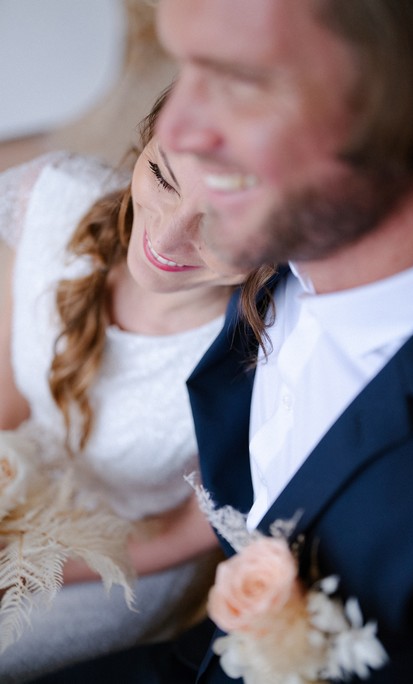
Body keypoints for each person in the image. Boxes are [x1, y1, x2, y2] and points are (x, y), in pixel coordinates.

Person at [30, 1, 413, 683]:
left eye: (237, 80)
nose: (173, 126)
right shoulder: (266, 251)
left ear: (390, 113)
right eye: (186, 66)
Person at [0, 86, 267, 683]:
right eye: (165, 179)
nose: (166, 241)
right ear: (148, 140)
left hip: (125, 559)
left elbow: (187, 533)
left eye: (220, 226)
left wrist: (36, 566)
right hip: (24, 475)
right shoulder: (55, 199)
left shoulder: (256, 359)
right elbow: (8, 396)